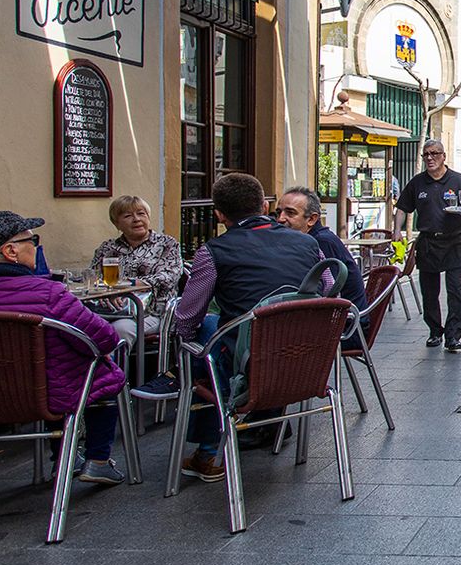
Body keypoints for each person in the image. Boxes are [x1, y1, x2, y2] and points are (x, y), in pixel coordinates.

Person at [136, 173, 334, 480]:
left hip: (250, 361)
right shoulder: (308, 243)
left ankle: (209, 449)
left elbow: (186, 316)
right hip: (307, 360)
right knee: (212, 332)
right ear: (266, 206)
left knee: (200, 343)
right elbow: (329, 289)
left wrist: (186, 343)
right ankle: (218, 440)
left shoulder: (213, 251)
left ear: (219, 214)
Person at [0, 212, 128, 485]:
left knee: (56, 373)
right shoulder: (48, 294)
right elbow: (104, 338)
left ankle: (63, 459)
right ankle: (97, 460)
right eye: (32, 240)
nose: (37, 247)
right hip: (45, 395)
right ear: (10, 251)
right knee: (100, 371)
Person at [394, 139, 461, 352]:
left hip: (453, 241)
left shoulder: (457, 180)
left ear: (443, 156)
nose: (430, 158)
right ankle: (434, 331)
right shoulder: (418, 182)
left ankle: (453, 336)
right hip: (428, 241)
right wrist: (396, 231)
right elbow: (403, 208)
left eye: (435, 154)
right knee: (429, 292)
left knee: (455, 290)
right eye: (426, 155)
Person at [88, 195, 184, 347]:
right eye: (127, 216)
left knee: (120, 329)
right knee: (80, 325)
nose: (136, 219)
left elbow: (169, 276)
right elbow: (93, 279)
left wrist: (130, 285)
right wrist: (106, 296)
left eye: (141, 214)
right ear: (116, 223)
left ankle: (114, 370)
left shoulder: (166, 244)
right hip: (112, 310)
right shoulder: (107, 248)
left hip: (154, 312)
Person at [277, 187, 368, 312]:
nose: (280, 219)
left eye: (290, 213)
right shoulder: (311, 239)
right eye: (278, 212)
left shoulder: (321, 242)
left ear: (311, 219)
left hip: (347, 322)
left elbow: (330, 293)